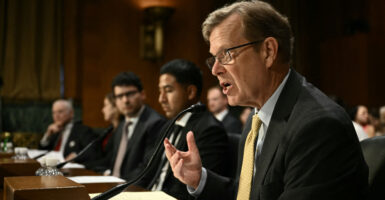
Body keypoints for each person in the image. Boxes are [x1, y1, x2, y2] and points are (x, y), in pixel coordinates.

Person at [163, 1, 368, 200]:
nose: (215, 69)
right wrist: (200, 179)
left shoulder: (318, 127)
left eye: (226, 54)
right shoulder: (257, 118)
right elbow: (253, 194)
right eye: (214, 58)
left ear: (268, 51)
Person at [142, 59, 228, 199]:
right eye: (160, 91)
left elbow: (197, 190)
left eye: (168, 90)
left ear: (190, 92)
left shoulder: (210, 130)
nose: (161, 99)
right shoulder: (168, 125)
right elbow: (147, 170)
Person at [89, 72, 166, 181]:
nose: (125, 100)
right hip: (113, 184)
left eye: (130, 94)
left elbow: (147, 169)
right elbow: (112, 161)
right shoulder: (122, 125)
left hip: (132, 189)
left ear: (142, 94)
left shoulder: (155, 123)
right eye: (120, 96)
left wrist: (118, 184)